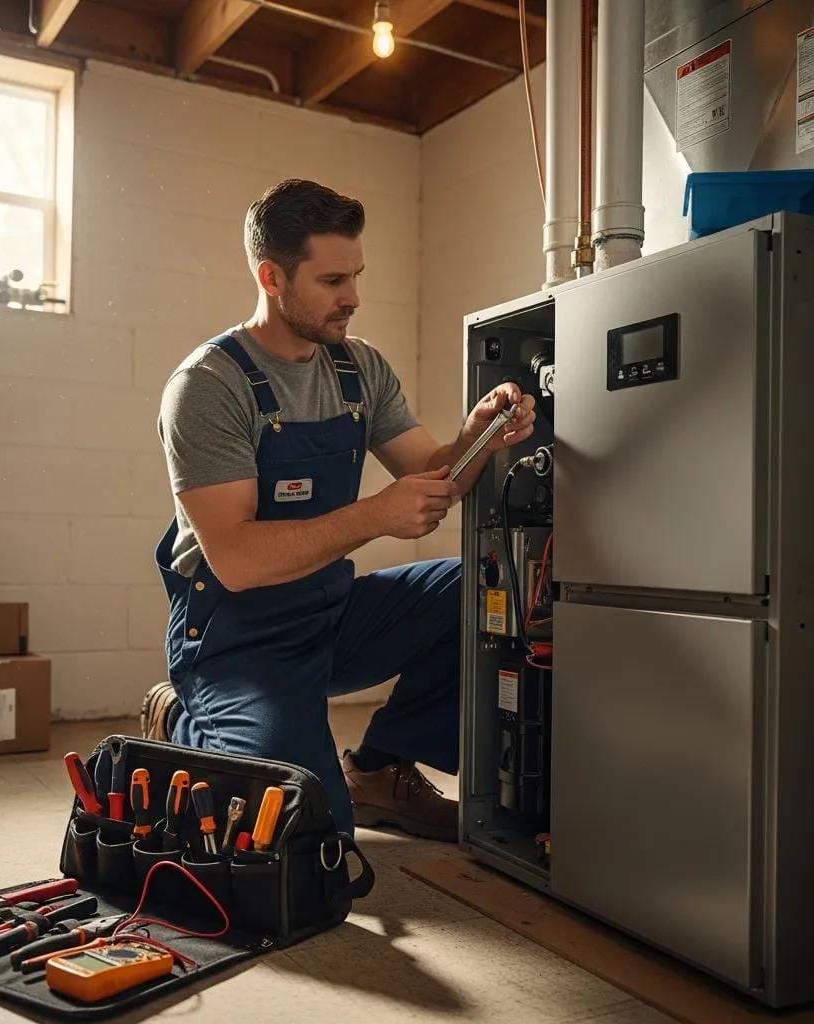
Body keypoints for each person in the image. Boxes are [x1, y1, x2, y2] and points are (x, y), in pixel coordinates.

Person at [144, 179, 535, 840]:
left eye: (356, 275)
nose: (353, 296)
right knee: (304, 830)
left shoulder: (359, 369)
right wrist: (375, 516)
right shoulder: (207, 386)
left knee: (483, 587)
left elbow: (433, 476)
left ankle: (379, 769)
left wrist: (477, 437)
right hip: (236, 637)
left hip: (329, 610)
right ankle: (183, 718)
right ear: (272, 277)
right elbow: (235, 561)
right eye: (332, 281)